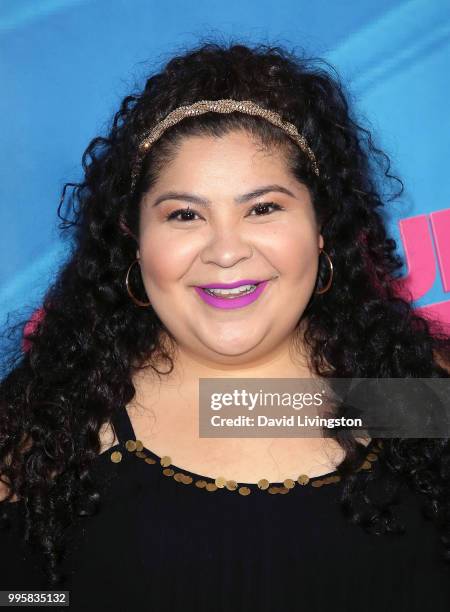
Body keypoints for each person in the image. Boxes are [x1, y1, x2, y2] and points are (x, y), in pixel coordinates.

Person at [0, 40, 449, 612]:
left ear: (321, 227)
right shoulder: (53, 424)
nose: (226, 251)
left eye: (263, 208)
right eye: (185, 215)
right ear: (135, 241)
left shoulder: (411, 398)